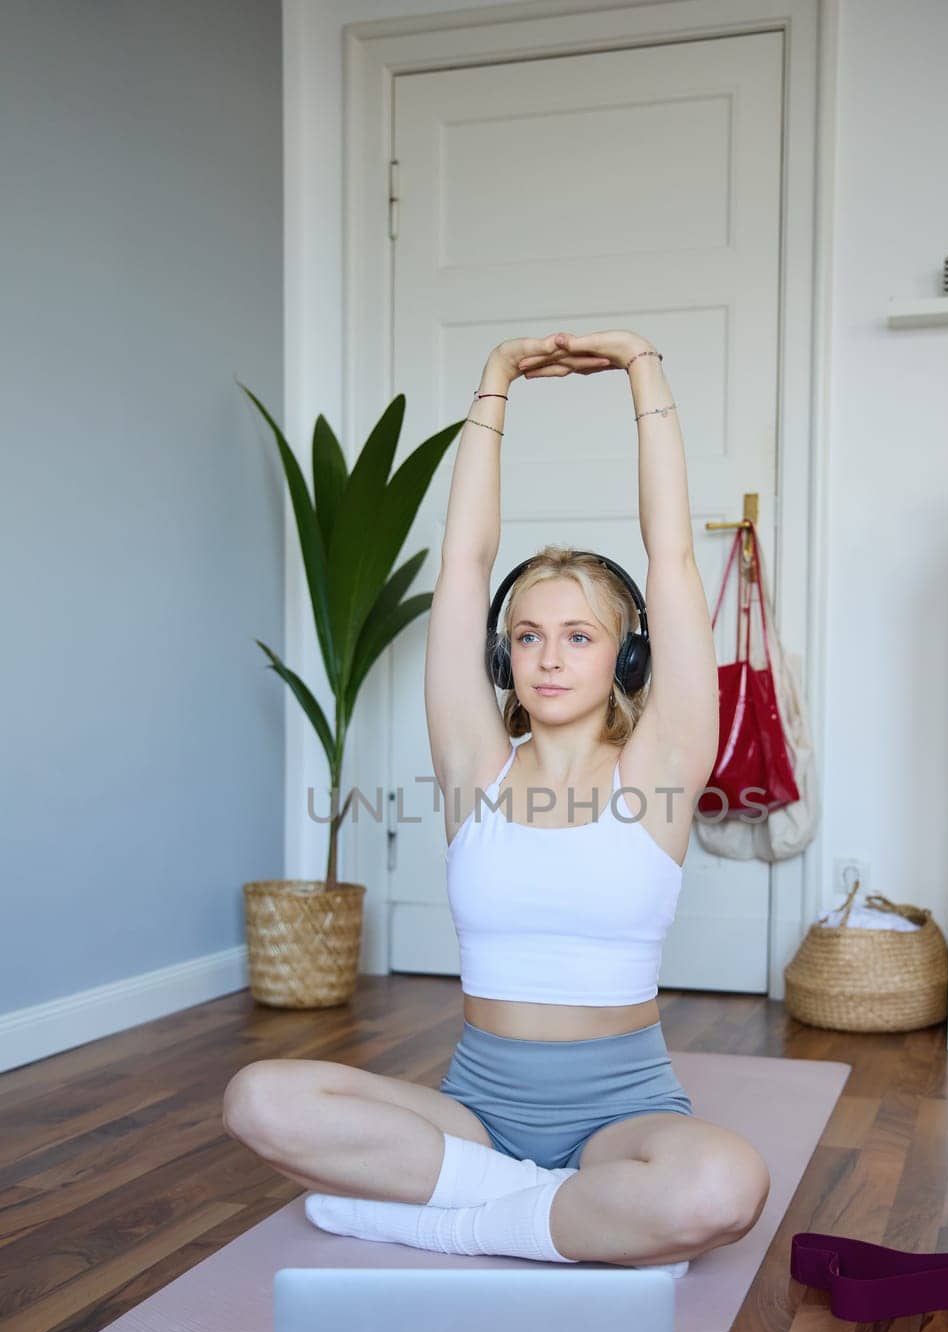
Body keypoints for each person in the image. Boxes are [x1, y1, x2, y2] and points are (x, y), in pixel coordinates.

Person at [222, 331, 771, 1275]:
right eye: (527, 636)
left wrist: (644, 367)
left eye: (579, 635)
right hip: (473, 1112)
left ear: (626, 656)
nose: (550, 656)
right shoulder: (475, 763)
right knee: (258, 1099)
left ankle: (453, 1221)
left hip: (621, 1113)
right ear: (501, 656)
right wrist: (493, 385)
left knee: (722, 1187)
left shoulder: (662, 769)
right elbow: (464, 565)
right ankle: (563, 1221)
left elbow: (671, 557)